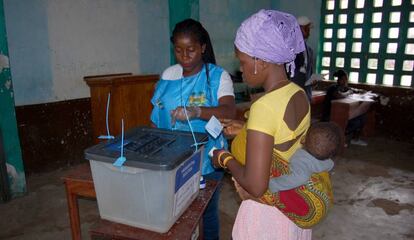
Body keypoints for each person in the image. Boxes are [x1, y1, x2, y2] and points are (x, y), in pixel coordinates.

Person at [212, 10, 333, 240]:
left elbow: (256, 186)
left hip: (268, 217)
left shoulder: (263, 107)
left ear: (261, 61)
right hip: (293, 205)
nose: (241, 69)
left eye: (243, 61)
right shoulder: (298, 94)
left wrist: (223, 158)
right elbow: (283, 140)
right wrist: (247, 128)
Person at [150, 19, 236, 239]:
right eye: (178, 50)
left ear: (203, 48)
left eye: (191, 50)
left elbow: (228, 112)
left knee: (206, 213)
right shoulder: (169, 76)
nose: (184, 56)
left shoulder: (217, 76)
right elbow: (156, 116)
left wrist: (197, 112)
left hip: (207, 158)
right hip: (172, 158)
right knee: (177, 213)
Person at [268, 122, 342, 193]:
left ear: (303, 139)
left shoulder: (301, 159)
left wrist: (272, 184)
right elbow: (329, 168)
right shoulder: (328, 162)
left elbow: (300, 178)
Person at [321, 69, 372, 146]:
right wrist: (348, 92)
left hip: (341, 114)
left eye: (346, 80)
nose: (345, 82)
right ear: (338, 80)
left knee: (361, 117)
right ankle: (338, 138)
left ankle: (355, 139)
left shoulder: (344, 88)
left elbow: (353, 90)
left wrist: (360, 91)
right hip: (329, 116)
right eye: (343, 79)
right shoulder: (333, 88)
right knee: (351, 121)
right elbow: (339, 95)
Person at [291, 16, 315, 101]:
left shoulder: (309, 51)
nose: (309, 31)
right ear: (300, 29)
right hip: (292, 94)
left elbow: (310, 73)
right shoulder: (290, 48)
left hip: (306, 95)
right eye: (307, 28)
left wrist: (313, 81)